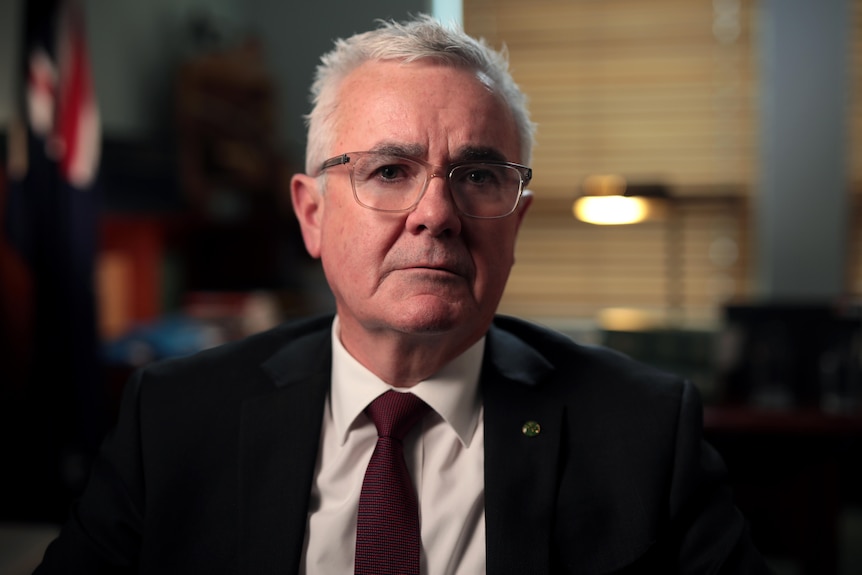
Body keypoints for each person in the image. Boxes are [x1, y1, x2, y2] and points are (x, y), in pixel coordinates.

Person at [34, 15, 773, 575]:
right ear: (312, 213)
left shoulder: (640, 431)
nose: (437, 212)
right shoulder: (173, 417)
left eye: (479, 177)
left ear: (514, 224)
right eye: (390, 170)